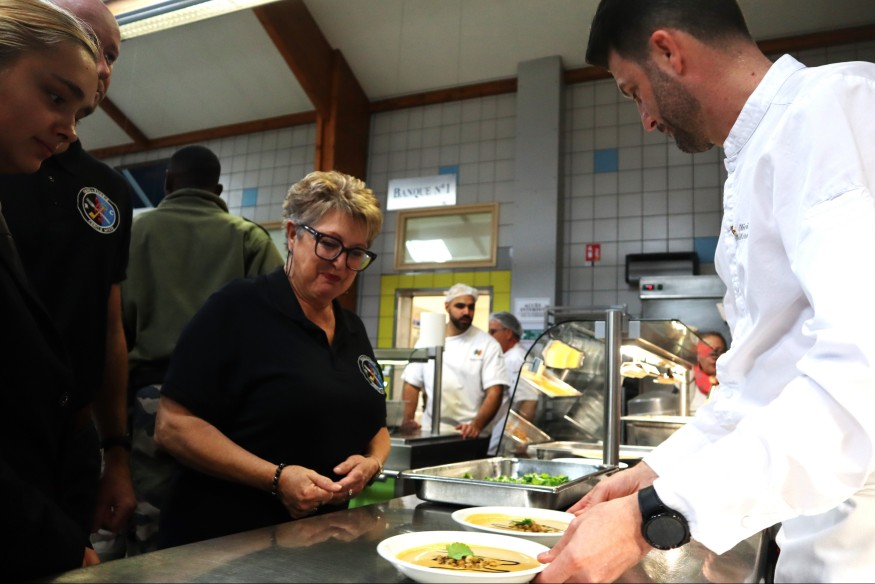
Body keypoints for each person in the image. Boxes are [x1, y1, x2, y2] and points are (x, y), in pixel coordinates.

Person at [536, 1, 875, 582]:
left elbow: (862, 372)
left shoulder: (833, 111)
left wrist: (649, 518)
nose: (643, 118)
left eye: (632, 90)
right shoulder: (752, 156)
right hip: (817, 530)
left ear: (669, 51)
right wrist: (650, 476)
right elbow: (755, 390)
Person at [153, 170, 389, 548]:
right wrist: (277, 478)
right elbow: (173, 426)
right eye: (329, 243)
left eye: (356, 253)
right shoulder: (237, 309)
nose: (341, 264)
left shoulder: (352, 328)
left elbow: (376, 427)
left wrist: (372, 463)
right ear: (293, 235)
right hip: (223, 544)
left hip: (319, 544)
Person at [0, 0, 136, 554]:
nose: (100, 65)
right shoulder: (13, 162)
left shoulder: (107, 189)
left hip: (67, 441)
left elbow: (108, 327)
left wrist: (116, 449)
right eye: (56, 96)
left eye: (109, 56)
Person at [121, 144, 284, 554]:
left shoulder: (132, 233)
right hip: (225, 406)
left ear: (168, 182)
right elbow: (278, 327)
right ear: (219, 188)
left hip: (147, 399)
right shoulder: (248, 237)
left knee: (150, 522)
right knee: (216, 530)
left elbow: (109, 328)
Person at [401, 284, 509, 455]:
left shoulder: (487, 344)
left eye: (471, 307)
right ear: (447, 306)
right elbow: (412, 383)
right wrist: (407, 419)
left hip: (468, 435)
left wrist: (476, 425)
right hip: (431, 431)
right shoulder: (427, 340)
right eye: (460, 306)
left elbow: (495, 391)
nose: (466, 312)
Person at [688, 331, 726, 412]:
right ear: (697, 355)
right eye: (709, 352)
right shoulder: (688, 380)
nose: (714, 357)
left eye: (719, 352)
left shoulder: (733, 382)